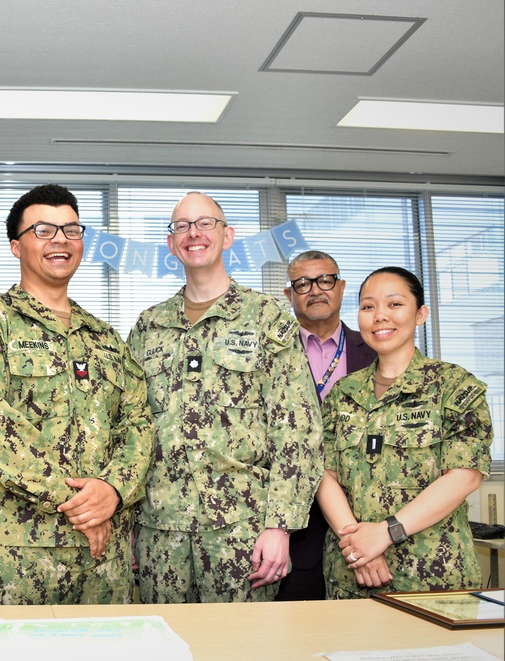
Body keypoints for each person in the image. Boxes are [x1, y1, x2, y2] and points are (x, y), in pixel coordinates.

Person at [0, 183, 153, 605]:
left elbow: (138, 424)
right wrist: (81, 504)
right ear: (16, 247)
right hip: (11, 557)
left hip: (102, 561)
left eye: (71, 230)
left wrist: (112, 489)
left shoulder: (106, 338)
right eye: (43, 230)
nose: (60, 240)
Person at [126, 191, 323, 604]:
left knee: (244, 655)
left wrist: (280, 526)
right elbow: (131, 428)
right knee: (164, 655)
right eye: (181, 226)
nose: (193, 233)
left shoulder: (267, 317)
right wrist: (127, 528)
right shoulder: (149, 326)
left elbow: (297, 429)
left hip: (242, 529)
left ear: (227, 235)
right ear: (170, 243)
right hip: (159, 531)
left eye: (204, 223)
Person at [316, 266, 492, 599]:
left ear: (421, 313)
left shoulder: (454, 386)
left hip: (431, 575)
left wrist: (385, 533)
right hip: (350, 574)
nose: (379, 316)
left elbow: (464, 475)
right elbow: (324, 473)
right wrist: (356, 545)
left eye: (394, 304)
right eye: (368, 307)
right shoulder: (343, 392)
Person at [276, 250, 377, 601]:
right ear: (289, 295)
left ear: (341, 287)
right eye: (302, 283)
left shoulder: (378, 350)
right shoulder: (270, 354)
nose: (315, 290)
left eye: (325, 280)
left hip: (367, 524)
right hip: (292, 532)